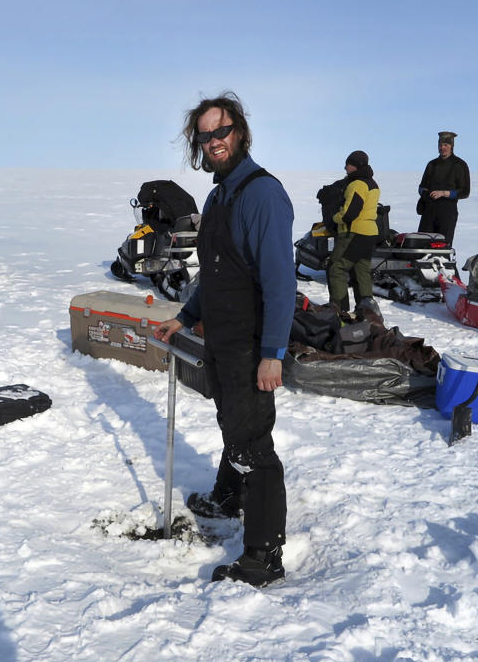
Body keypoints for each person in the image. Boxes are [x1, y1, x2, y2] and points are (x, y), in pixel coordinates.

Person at [153, 92, 295, 587]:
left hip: (251, 343)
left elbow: (281, 284)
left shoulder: (261, 194)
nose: (214, 141)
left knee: (253, 441)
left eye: (221, 131)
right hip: (223, 339)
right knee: (234, 424)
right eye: (205, 135)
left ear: (240, 132)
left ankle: (263, 555)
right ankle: (228, 497)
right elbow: (213, 275)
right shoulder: (218, 196)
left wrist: (272, 354)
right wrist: (186, 316)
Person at [327, 150, 380, 314]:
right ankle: (366, 311)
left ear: (355, 166)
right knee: (361, 270)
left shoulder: (357, 184)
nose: (345, 167)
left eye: (348, 164)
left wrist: (335, 217)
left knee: (336, 268)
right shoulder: (373, 183)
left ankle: (339, 311)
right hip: (370, 233)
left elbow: (350, 213)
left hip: (354, 233)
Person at [417, 131, 470, 247]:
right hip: (429, 212)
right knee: (421, 245)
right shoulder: (432, 164)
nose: (442, 148)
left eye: (446, 145)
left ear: (451, 146)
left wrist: (444, 193)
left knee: (442, 248)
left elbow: (465, 192)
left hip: (447, 212)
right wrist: (426, 193)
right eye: (440, 145)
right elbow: (421, 187)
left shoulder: (460, 165)